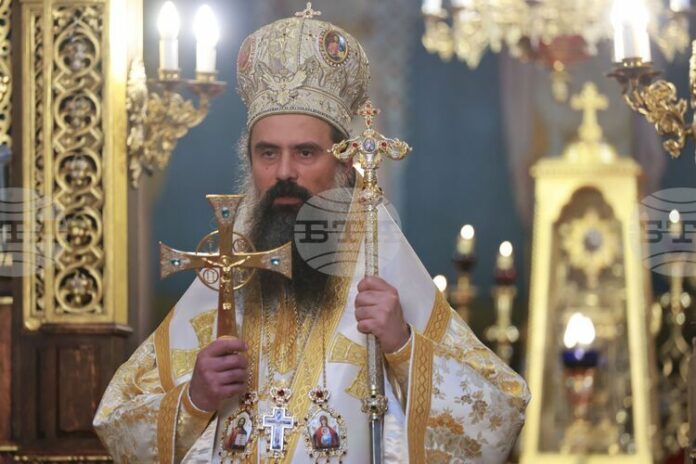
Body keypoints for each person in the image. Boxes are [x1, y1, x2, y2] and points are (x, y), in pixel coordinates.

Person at [93, 5, 530, 463]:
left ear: (343, 162)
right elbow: (117, 419)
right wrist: (195, 398)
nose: (284, 172)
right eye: (268, 153)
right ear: (250, 159)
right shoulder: (227, 267)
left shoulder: (380, 257)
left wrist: (403, 345)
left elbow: (497, 414)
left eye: (305, 152)